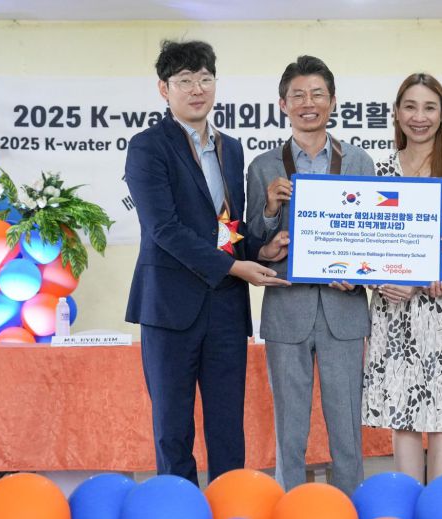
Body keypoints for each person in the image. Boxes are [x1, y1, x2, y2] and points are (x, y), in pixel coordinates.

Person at [125, 40, 290, 485]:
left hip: (226, 308)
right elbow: (164, 229)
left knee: (227, 425)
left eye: (205, 78)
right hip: (169, 308)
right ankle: (178, 507)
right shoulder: (147, 147)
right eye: (184, 81)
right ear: (164, 89)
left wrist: (259, 251)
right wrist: (236, 268)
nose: (197, 89)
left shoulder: (230, 148)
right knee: (173, 428)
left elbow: (226, 226)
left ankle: (230, 502)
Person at [245, 55, 375, 496]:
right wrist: (269, 211)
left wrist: (359, 275)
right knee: (289, 429)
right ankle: (290, 505)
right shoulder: (263, 166)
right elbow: (250, 244)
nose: (308, 103)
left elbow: (372, 239)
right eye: (298, 95)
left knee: (347, 429)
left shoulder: (359, 162)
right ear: (282, 104)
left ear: (333, 101)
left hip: (344, 309)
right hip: (287, 309)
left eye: (317, 94)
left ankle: (350, 506)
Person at [361, 73, 442, 484]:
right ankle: (410, 500)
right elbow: (363, 245)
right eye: (410, 107)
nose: (419, 117)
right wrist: (379, 280)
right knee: (403, 410)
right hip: (395, 310)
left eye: (430, 107)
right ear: (396, 113)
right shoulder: (378, 171)